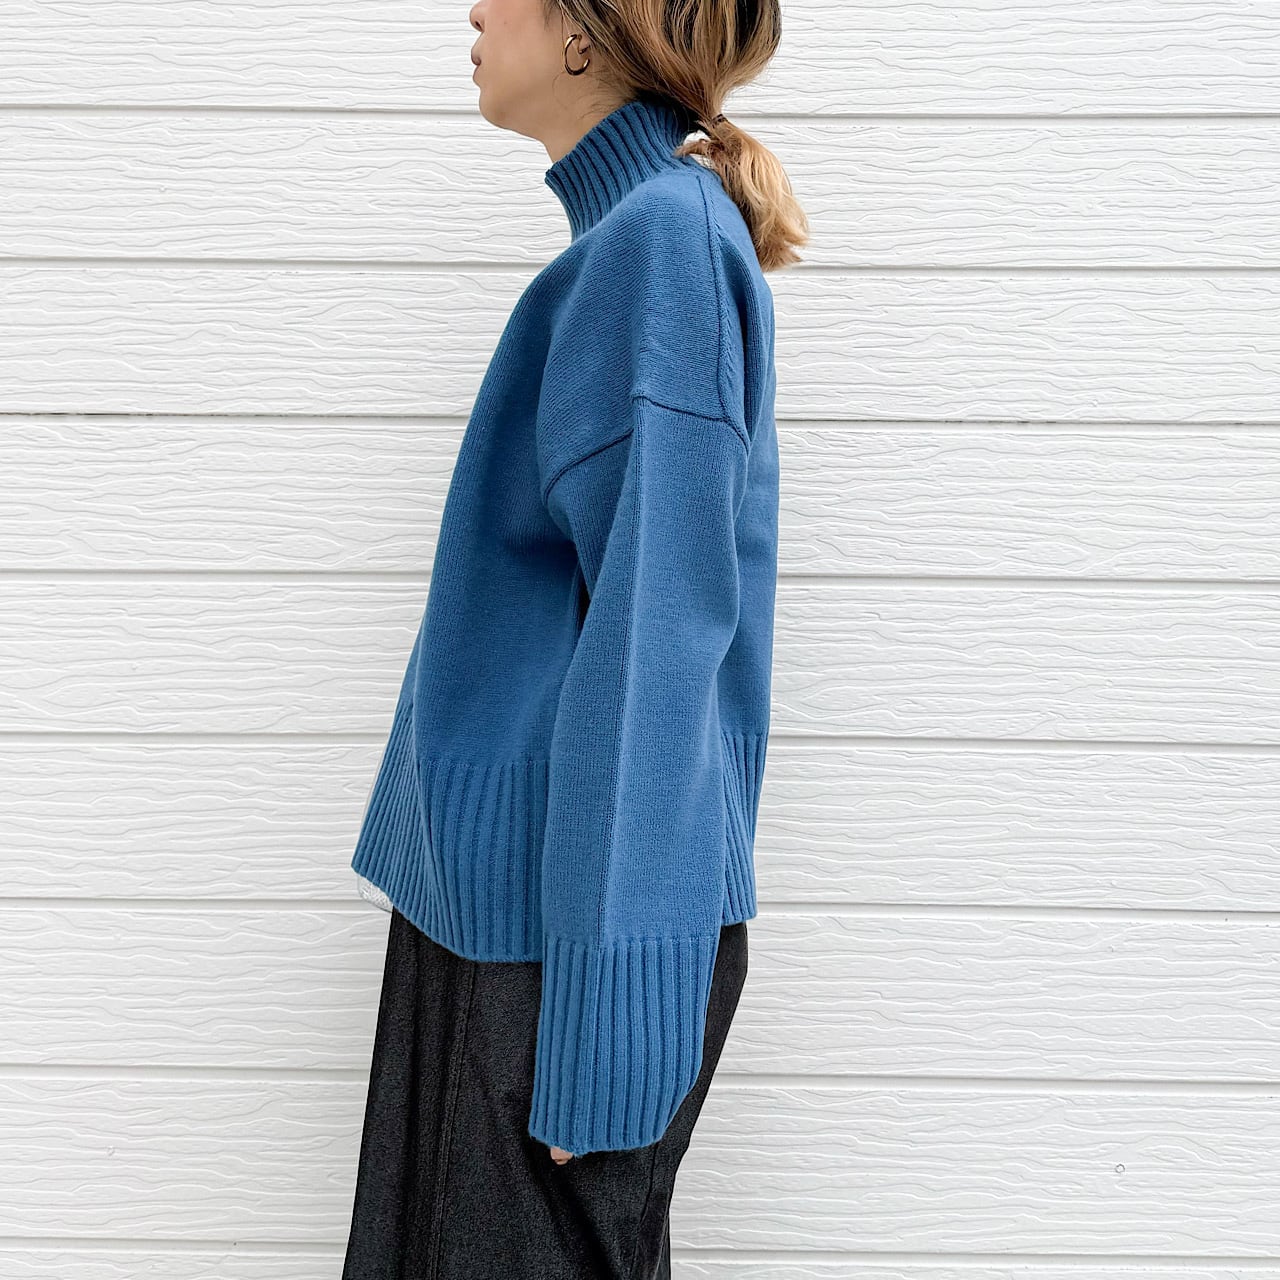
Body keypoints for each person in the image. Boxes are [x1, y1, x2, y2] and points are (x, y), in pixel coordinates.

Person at [341, 0, 807, 1275]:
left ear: (590, 31)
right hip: (511, 920)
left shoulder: (661, 241)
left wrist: (611, 1020)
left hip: (559, 949)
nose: (473, 9)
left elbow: (658, 648)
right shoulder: (635, 237)